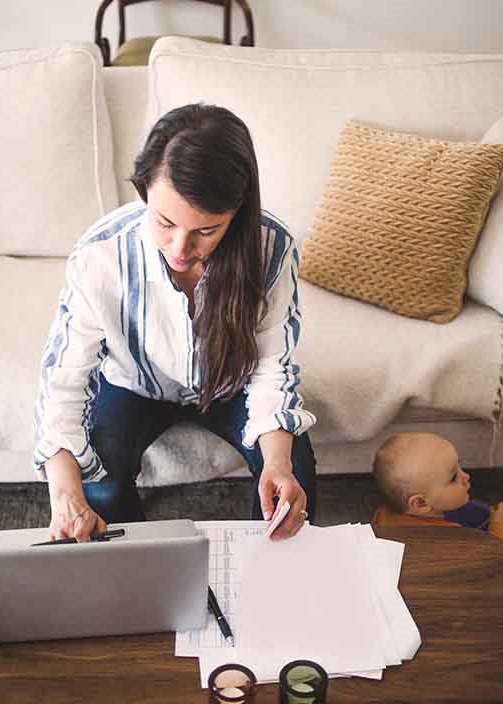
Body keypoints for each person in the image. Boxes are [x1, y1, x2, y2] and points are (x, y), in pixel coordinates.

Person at [33, 104, 318, 543]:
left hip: (231, 382)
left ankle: (273, 574)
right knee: (99, 483)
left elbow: (271, 367)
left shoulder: (271, 248)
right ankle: (134, 570)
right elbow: (64, 377)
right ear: (144, 191)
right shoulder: (100, 255)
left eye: (207, 230)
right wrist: (65, 494)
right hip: (134, 384)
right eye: (165, 222)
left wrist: (278, 466)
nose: (180, 249)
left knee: (294, 474)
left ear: (237, 213)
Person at [371, 432, 503, 627]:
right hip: (449, 612)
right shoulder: (452, 541)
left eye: (459, 466)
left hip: (401, 601)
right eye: (453, 477)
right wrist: (499, 526)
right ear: (421, 503)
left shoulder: (382, 515)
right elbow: (495, 559)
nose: (466, 476)